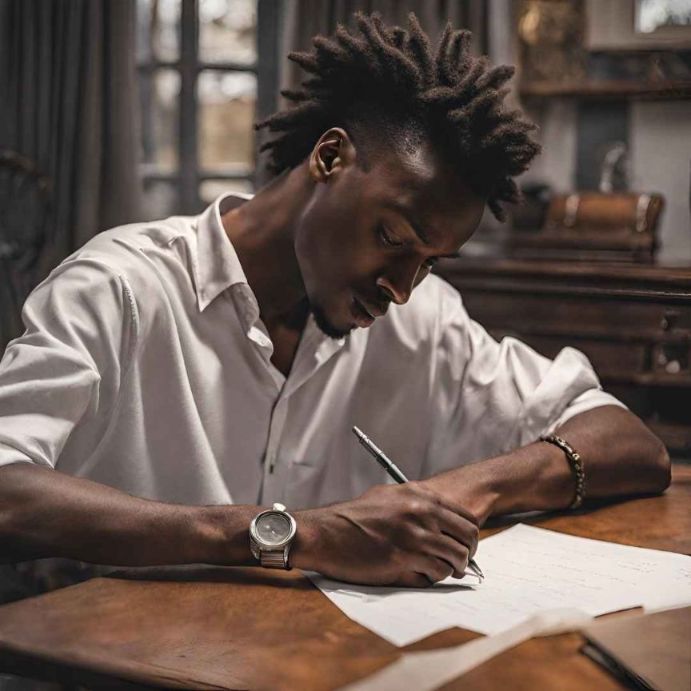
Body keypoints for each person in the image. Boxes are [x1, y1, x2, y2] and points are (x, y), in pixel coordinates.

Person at [0, 13, 669, 598]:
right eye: (390, 237)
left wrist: (464, 490)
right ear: (329, 156)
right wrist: (295, 534)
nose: (402, 286)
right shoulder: (118, 288)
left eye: (428, 261)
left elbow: (628, 444)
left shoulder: (421, 318)